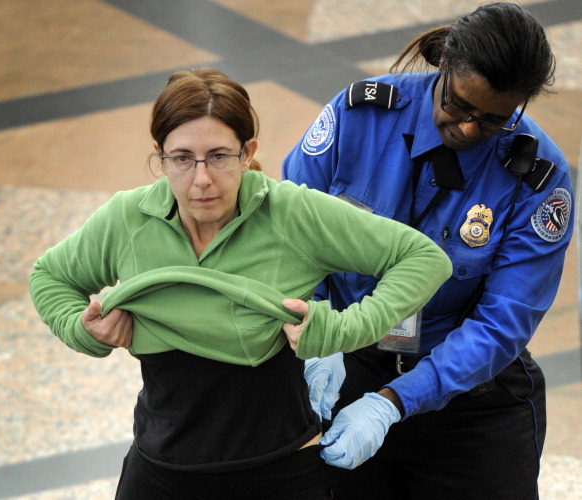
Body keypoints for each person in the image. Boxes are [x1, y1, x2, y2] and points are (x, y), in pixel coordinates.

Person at [29, 68, 451, 500]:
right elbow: (50, 276)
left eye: (218, 156)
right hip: (161, 473)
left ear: (247, 153)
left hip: (280, 473)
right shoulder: (127, 218)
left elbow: (423, 258)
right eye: (181, 158)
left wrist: (346, 329)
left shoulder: (292, 213)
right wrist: (82, 330)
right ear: (159, 155)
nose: (201, 179)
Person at [283, 3, 573, 499]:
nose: (465, 129)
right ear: (445, 66)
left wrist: (394, 402)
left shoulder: (540, 178)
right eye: (458, 106)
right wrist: (320, 333)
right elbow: (286, 234)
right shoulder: (359, 116)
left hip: (469, 399)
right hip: (346, 370)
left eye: (491, 121)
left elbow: (503, 322)